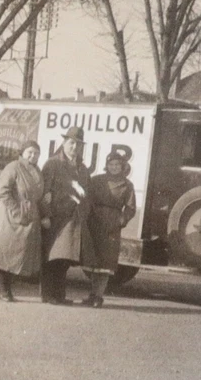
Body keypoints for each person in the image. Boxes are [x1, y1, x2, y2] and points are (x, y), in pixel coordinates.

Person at [0, 140, 45, 302]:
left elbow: (38, 194)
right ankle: (3, 289)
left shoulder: (37, 171)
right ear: (22, 152)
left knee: (18, 255)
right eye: (30, 152)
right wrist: (15, 210)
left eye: (36, 153)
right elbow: (2, 191)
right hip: (9, 216)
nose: (33, 156)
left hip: (28, 216)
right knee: (5, 253)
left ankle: (8, 287)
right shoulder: (13, 167)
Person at [40, 127, 90, 305]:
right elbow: (44, 192)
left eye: (78, 144)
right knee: (52, 258)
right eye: (71, 143)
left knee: (65, 260)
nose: (74, 147)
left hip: (74, 219)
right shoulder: (53, 164)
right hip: (56, 218)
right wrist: (45, 215)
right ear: (64, 143)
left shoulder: (82, 169)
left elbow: (85, 194)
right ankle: (48, 295)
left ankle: (59, 295)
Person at [81, 150, 137, 308]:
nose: (114, 167)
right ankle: (92, 294)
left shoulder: (127, 185)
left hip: (112, 225)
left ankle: (98, 296)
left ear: (122, 166)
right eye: (111, 164)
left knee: (105, 263)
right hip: (94, 222)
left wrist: (121, 220)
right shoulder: (97, 180)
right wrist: (88, 216)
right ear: (106, 166)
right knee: (93, 261)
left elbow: (130, 208)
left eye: (117, 165)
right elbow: (87, 199)